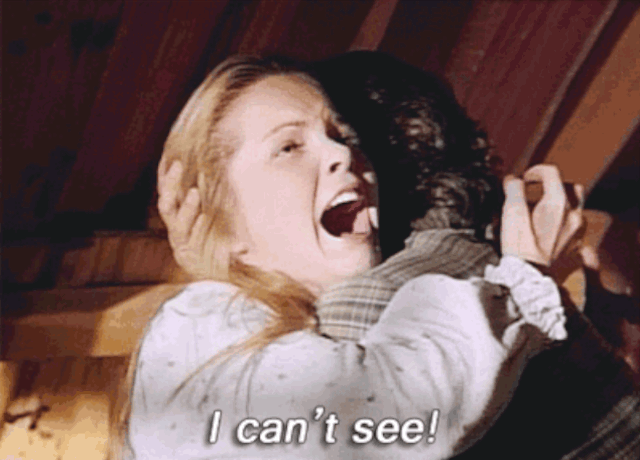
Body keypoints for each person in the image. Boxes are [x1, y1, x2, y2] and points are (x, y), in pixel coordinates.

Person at [158, 52, 640, 459]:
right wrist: (525, 275)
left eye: (344, 136)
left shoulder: (347, 311)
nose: (342, 155)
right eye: (288, 146)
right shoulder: (407, 289)